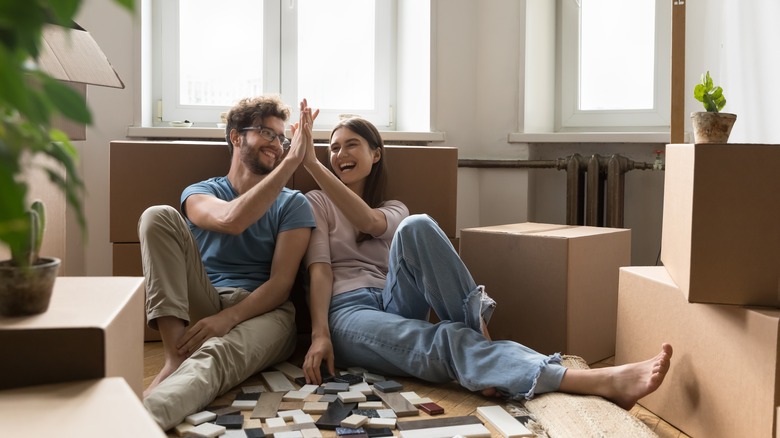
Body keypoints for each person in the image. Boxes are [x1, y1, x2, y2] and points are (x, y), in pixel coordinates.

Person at [299, 115, 673, 411]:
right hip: (350, 313)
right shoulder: (316, 201)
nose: (340, 154)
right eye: (332, 148)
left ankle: (481, 346)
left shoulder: (393, 209)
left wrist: (312, 163)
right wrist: (320, 335)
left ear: (375, 154)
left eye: (351, 144)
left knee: (418, 226)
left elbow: (368, 222)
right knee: (443, 338)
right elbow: (320, 269)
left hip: (394, 301)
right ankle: (597, 381)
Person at [139, 96, 318, 430]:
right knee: (157, 216)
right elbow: (232, 220)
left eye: (282, 138)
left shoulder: (294, 204)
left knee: (215, 357)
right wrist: (292, 163)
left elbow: (281, 285)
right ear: (237, 137)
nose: (277, 145)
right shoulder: (201, 192)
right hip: (205, 300)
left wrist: (228, 318)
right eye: (268, 133)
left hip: (264, 313)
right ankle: (174, 356)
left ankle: (135, 424)